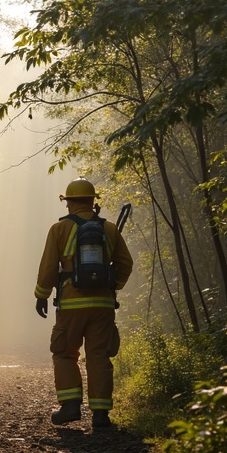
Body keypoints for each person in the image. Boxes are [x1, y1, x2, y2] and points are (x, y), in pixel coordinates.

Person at [33, 177, 133, 428]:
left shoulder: (59, 229)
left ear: (69, 203)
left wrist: (41, 295)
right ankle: (101, 415)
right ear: (92, 201)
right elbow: (125, 264)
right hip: (103, 305)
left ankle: (70, 407)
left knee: (65, 352)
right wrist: (113, 287)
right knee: (99, 355)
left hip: (71, 304)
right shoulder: (109, 229)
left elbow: (48, 268)